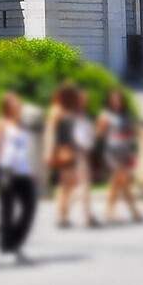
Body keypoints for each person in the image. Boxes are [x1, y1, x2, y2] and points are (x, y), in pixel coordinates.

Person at [0, 91, 37, 262]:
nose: (18, 105)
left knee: (29, 207)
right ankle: (7, 247)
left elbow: (27, 149)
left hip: (24, 171)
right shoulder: (1, 122)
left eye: (19, 102)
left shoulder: (23, 124)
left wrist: (32, 169)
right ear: (7, 106)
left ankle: (14, 242)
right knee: (7, 210)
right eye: (14, 102)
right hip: (5, 169)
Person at [44, 83, 92, 230]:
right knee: (67, 185)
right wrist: (48, 151)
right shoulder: (57, 111)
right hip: (64, 150)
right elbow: (50, 132)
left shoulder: (71, 111)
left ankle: (64, 215)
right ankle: (63, 216)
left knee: (69, 185)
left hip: (72, 150)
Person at [95, 88, 141, 223]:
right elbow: (99, 134)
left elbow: (135, 129)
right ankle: (131, 211)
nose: (117, 102)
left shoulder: (125, 115)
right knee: (120, 180)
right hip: (112, 152)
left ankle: (114, 211)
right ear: (109, 101)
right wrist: (100, 129)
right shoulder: (105, 115)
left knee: (120, 182)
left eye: (119, 99)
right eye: (114, 99)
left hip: (125, 152)